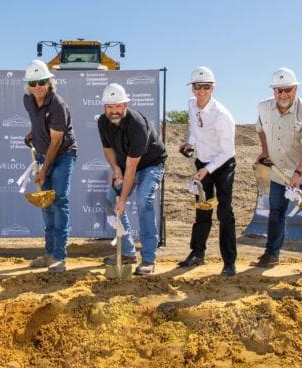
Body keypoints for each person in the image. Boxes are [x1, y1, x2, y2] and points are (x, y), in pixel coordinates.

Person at [254, 67, 302, 277]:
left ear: (295, 89)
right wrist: (265, 152)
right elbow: (260, 130)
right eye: (279, 90)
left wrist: (298, 173)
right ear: (273, 91)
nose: (283, 95)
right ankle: (272, 253)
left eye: (288, 90)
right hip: (279, 170)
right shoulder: (263, 107)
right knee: (276, 211)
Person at [98, 82, 167, 275]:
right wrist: (115, 170)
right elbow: (108, 149)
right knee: (111, 199)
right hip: (125, 165)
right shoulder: (102, 122)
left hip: (151, 164)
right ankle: (128, 252)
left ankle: (148, 259)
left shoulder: (137, 125)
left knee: (144, 200)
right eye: (110, 107)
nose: (114, 111)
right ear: (105, 107)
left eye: (118, 106)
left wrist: (123, 199)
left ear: (126, 105)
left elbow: (132, 167)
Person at [177, 66, 237, 276]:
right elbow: (194, 128)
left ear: (212, 88)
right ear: (191, 88)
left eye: (206, 86)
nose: (201, 90)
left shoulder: (222, 115)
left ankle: (229, 262)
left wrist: (207, 170)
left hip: (223, 165)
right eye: (197, 86)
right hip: (203, 163)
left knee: (224, 212)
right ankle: (197, 253)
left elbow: (228, 151)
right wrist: (189, 143)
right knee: (202, 209)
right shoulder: (191, 104)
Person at [22, 59, 78, 273]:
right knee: (46, 203)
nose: (38, 87)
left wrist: (44, 170)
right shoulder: (28, 100)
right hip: (43, 154)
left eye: (42, 82)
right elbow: (39, 123)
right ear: (28, 85)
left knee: (59, 200)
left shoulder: (58, 105)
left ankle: (59, 257)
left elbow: (56, 141)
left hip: (63, 154)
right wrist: (33, 134)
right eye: (34, 83)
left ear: (49, 82)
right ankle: (48, 253)